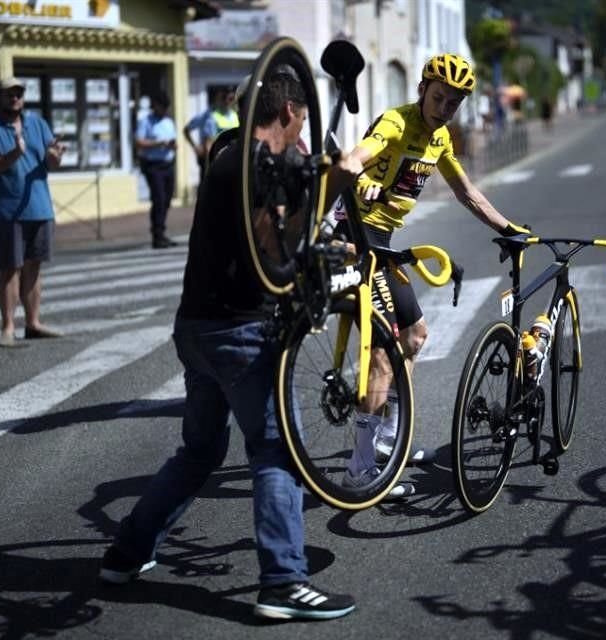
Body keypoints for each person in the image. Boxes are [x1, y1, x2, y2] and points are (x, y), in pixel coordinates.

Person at [98, 66, 363, 621]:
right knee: (275, 449)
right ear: (289, 112)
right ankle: (284, 582)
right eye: (302, 121)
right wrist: (335, 182)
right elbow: (274, 249)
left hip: (196, 328)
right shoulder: (256, 169)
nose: (302, 133)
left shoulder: (229, 157)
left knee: (200, 451)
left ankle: (127, 551)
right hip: (239, 333)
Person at [333, 53, 531, 491]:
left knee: (415, 335)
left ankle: (388, 438)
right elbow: (358, 157)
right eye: (438, 97)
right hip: (357, 236)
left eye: (453, 103)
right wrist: (357, 175)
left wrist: (509, 229)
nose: (444, 108)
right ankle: (360, 468)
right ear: (422, 90)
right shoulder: (397, 123)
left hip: (382, 244)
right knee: (384, 354)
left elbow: (466, 192)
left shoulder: (439, 139)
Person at [0, 77, 64, 348]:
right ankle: (8, 327)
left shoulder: (37, 123)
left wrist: (55, 156)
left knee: (33, 267)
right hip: (5, 212)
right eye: (9, 93)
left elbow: (50, 161)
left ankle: (33, 323)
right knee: (9, 268)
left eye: (19, 93)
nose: (15, 97)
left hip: (39, 207)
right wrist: (14, 154)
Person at [136, 91, 177, 249]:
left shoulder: (168, 122)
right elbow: (139, 142)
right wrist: (158, 143)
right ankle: (157, 235)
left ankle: (161, 230)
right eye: (162, 107)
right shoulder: (146, 121)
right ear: (155, 106)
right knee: (158, 199)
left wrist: (172, 145)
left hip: (168, 164)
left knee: (166, 200)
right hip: (153, 166)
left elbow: (174, 143)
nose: (164, 110)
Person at [183, 85, 239, 184]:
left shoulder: (235, 115)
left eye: (232, 99)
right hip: (214, 158)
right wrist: (196, 147)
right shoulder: (208, 115)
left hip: (230, 158)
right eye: (226, 98)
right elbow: (188, 130)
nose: (229, 101)